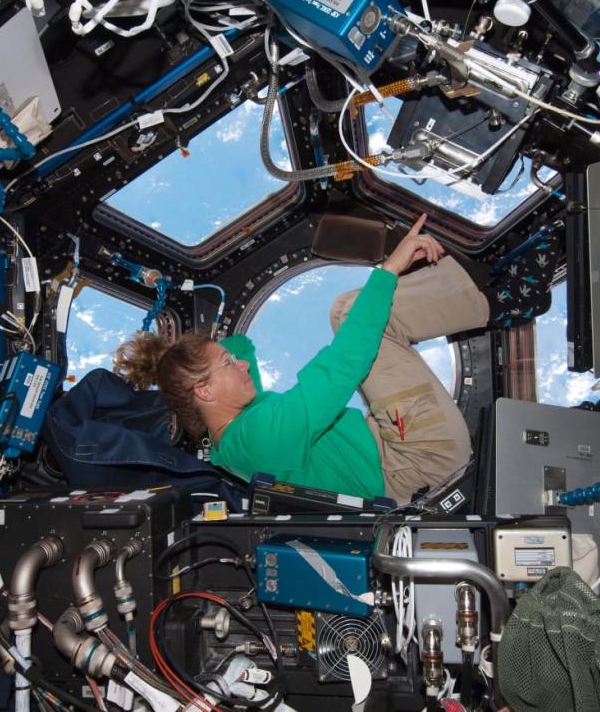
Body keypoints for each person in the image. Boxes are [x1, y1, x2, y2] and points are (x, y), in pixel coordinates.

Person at [115, 214, 491, 504]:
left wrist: (170, 360)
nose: (242, 365)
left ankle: (477, 293)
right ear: (206, 391)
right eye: (227, 366)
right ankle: (490, 291)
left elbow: (242, 347)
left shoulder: (233, 439)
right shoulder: (260, 437)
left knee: (350, 312)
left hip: (398, 449)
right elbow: (344, 365)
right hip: (415, 457)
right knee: (347, 313)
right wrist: (390, 269)